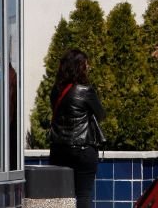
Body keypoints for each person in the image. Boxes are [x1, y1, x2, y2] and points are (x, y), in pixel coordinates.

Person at [49, 49, 106, 208]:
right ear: (79, 67)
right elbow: (101, 114)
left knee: (59, 196)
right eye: (86, 64)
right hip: (83, 149)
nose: (88, 67)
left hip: (59, 149)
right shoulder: (86, 91)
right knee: (83, 194)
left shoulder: (56, 91)